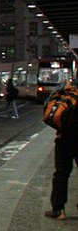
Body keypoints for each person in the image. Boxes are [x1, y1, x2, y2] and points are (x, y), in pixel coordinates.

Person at [44, 77, 78, 219]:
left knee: (61, 173)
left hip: (65, 137)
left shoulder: (68, 90)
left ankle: (58, 210)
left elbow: (49, 105)